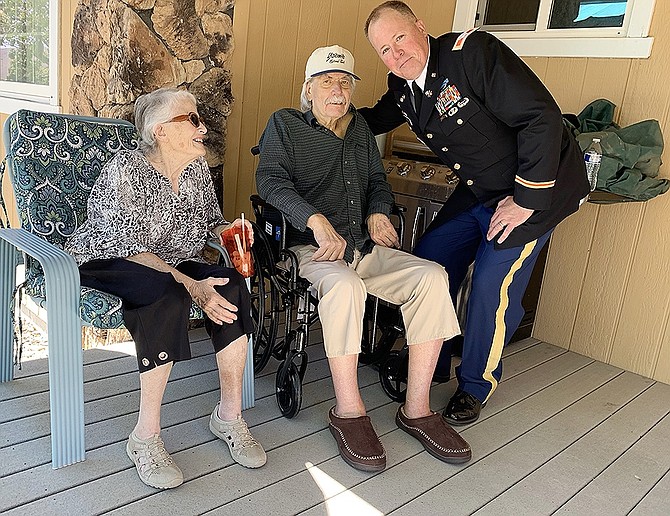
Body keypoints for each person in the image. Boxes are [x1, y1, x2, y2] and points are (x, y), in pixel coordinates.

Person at [361, 2, 590, 425]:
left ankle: (475, 384)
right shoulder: (402, 86)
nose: (396, 54)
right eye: (384, 50)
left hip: (537, 190)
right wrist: (321, 123)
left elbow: (541, 119)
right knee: (430, 259)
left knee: (490, 284)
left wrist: (524, 199)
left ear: (421, 27)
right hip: (480, 190)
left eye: (399, 38)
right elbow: (371, 120)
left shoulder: (473, 53)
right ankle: (435, 356)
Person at [255, 44, 471, 472]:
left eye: (344, 82)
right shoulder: (285, 124)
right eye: (326, 81)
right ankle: (349, 412)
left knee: (431, 276)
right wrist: (314, 220)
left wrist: (378, 209)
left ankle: (417, 409)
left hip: (362, 248)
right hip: (312, 249)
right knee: (344, 285)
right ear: (309, 88)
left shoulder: (358, 129)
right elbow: (271, 183)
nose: (336, 90)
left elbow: (376, 180)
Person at [65, 88, 266, 489]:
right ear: (160, 131)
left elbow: (209, 221)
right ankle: (145, 437)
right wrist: (192, 286)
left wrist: (227, 231)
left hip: (169, 260)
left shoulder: (196, 171)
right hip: (108, 259)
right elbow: (130, 246)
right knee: (166, 292)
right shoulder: (127, 169)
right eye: (191, 120)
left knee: (230, 285)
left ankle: (228, 417)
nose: (202, 127)